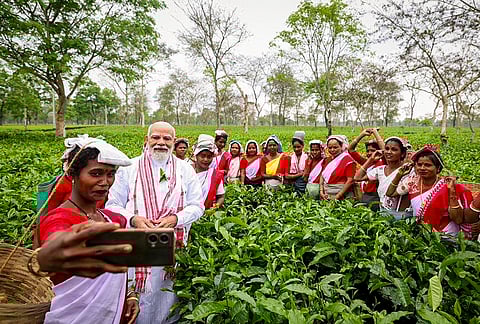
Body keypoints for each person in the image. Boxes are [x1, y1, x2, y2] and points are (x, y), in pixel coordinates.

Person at [106, 121, 204, 324]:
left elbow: (198, 206)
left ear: (174, 142)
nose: (161, 142)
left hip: (171, 249)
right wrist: (133, 219)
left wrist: (175, 219)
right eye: (156, 137)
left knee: (167, 296)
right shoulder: (129, 168)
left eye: (167, 138)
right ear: (147, 140)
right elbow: (112, 204)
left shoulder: (185, 170)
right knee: (136, 298)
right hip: (136, 246)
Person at [38, 137, 139, 324]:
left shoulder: (114, 218)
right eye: (96, 173)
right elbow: (53, 242)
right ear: (73, 175)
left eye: (110, 174)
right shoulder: (60, 218)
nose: (105, 182)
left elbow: (121, 267)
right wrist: (48, 256)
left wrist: (130, 295)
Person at [386, 146, 473, 238]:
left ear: (438, 168)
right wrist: (399, 174)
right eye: (419, 164)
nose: (422, 168)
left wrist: (451, 192)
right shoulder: (412, 182)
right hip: (422, 233)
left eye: (428, 165)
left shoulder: (446, 186)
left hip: (445, 235)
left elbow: (458, 219)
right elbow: (390, 193)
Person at [355, 137, 411, 218]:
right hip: (383, 211)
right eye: (387, 149)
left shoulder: (406, 170)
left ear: (402, 153)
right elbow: (358, 177)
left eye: (394, 149)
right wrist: (371, 159)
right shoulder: (380, 170)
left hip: (401, 214)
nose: (389, 152)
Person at [348, 128, 385, 210]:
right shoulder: (366, 163)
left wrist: (375, 133)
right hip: (366, 196)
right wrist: (362, 135)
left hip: (376, 197)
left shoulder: (383, 164)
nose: (369, 153)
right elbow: (350, 150)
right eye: (368, 151)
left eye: (373, 150)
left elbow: (384, 150)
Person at [319, 135, 356, 200]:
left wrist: (338, 196)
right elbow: (322, 176)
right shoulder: (327, 160)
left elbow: (350, 180)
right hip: (327, 194)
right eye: (330, 148)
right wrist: (321, 191)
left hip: (342, 195)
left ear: (341, 146)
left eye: (335, 147)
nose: (332, 150)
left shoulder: (348, 160)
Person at [193, 134, 225, 209]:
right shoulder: (187, 172)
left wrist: (215, 207)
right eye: (202, 156)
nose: (205, 160)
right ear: (196, 156)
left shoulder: (215, 175)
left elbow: (221, 196)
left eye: (209, 157)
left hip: (206, 215)